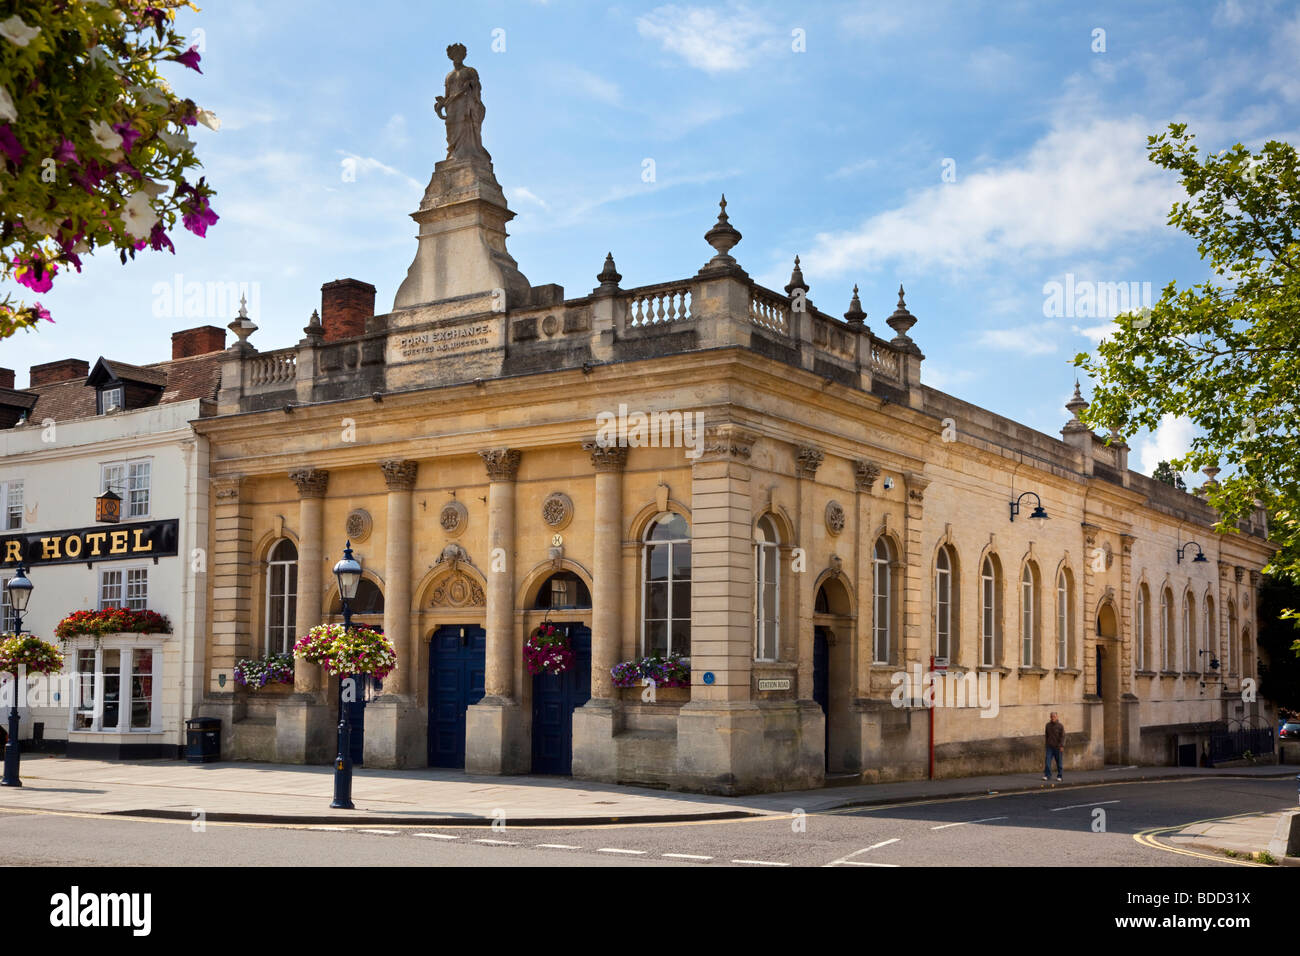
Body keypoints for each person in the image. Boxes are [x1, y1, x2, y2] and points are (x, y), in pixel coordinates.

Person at [1044, 712, 1064, 781]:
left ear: (1057, 717)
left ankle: (1059, 776)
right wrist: (1046, 744)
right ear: (1050, 717)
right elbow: (1046, 735)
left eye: (1054, 716)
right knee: (1047, 761)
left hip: (1057, 747)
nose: (1053, 718)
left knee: (1059, 762)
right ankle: (1047, 775)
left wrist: (1061, 746)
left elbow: (1062, 737)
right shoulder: (1047, 725)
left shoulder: (1060, 726)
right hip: (1049, 747)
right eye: (1052, 716)